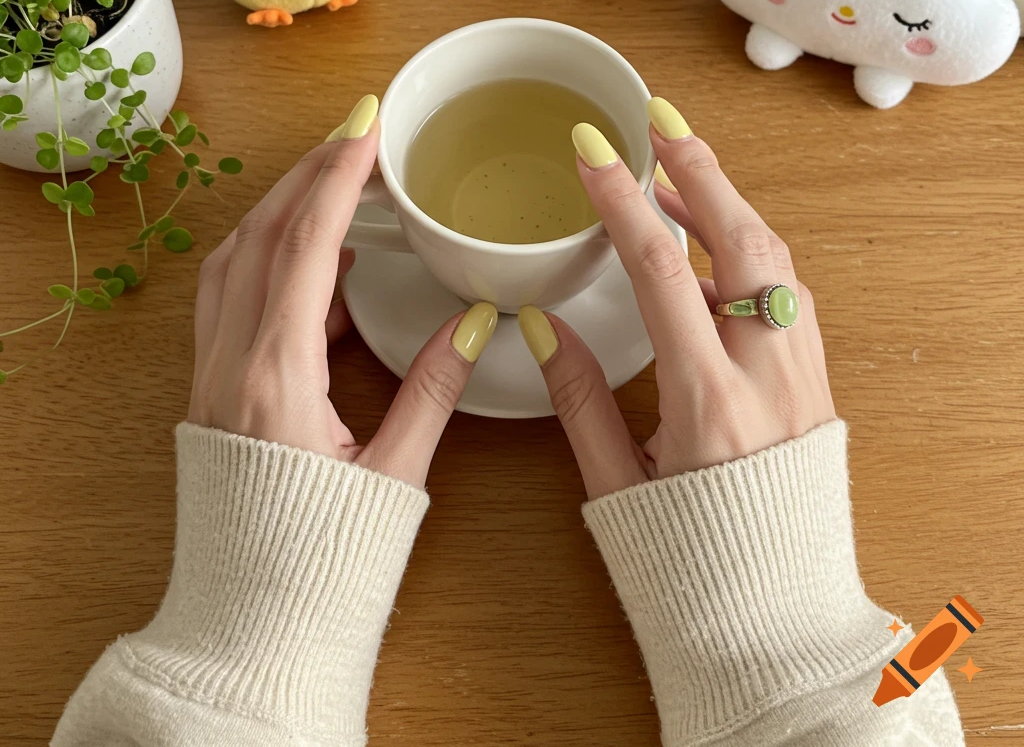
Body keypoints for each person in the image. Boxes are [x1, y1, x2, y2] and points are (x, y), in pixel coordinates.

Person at [51, 95, 964, 747]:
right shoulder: (910, 673)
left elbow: (946, 650)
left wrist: (234, 666)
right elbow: (935, 661)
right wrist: (809, 662)